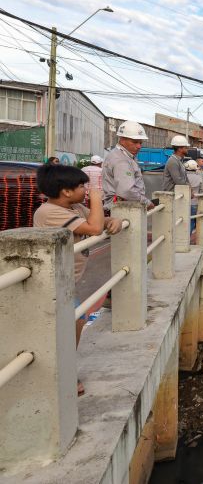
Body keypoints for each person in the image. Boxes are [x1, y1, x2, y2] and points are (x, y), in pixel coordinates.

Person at [33, 164, 123, 396]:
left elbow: (99, 222)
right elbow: (94, 228)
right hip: (51, 284)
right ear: (66, 191)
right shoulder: (50, 212)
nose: (85, 189)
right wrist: (96, 199)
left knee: (76, 323)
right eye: (81, 186)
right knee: (67, 328)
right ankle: (64, 376)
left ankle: (64, 371)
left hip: (66, 283)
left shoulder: (74, 208)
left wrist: (113, 220)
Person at [102, 120, 154, 209]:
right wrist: (147, 203)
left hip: (121, 207)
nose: (139, 146)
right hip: (122, 209)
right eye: (135, 142)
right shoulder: (121, 160)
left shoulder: (120, 155)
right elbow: (127, 191)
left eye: (140, 143)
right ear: (122, 139)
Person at [185, 159, 203, 233]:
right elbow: (202, 189)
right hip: (194, 202)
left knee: (182, 220)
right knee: (192, 221)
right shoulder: (199, 177)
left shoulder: (183, 177)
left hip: (183, 202)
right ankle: (188, 237)